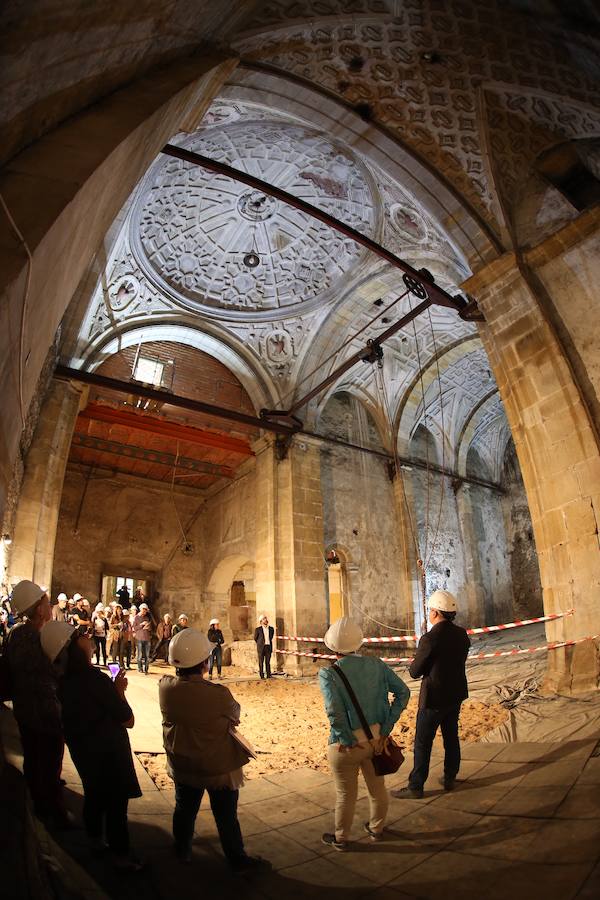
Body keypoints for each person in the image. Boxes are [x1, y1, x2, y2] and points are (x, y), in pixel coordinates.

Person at [159, 628, 268, 871]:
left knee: (184, 810)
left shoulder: (165, 687)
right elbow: (235, 714)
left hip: (182, 764)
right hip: (217, 767)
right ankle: (237, 859)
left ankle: (182, 849)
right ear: (204, 662)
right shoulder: (218, 694)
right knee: (226, 816)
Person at [43, 620, 144, 870]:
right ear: (74, 648)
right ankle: (121, 857)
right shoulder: (95, 680)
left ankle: (95, 842)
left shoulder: (62, 682)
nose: (87, 637)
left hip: (83, 751)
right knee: (116, 805)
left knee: (94, 796)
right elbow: (127, 719)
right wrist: (119, 690)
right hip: (108, 751)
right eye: (81, 636)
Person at [318, 616, 410, 851]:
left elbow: (334, 712)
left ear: (332, 647)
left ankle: (341, 838)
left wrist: (347, 739)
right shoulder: (377, 665)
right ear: (358, 643)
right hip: (376, 740)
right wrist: (386, 728)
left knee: (345, 794)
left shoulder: (329, 675)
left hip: (346, 746)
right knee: (377, 788)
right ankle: (376, 828)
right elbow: (403, 693)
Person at [391, 590, 470, 800]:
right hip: (455, 695)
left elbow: (415, 672)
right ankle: (450, 777)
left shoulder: (430, 638)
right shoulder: (462, 634)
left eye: (430, 611)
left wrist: (418, 658)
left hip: (434, 698)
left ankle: (416, 786)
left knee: (423, 742)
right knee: (451, 737)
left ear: (435, 613)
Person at [3, 580, 69, 826]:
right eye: (46, 601)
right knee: (51, 764)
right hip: (48, 712)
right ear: (40, 610)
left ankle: (36, 804)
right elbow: (57, 673)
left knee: (32, 757)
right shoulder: (45, 637)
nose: (50, 606)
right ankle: (54, 813)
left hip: (23, 709)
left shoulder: (14, 634)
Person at [132, 602, 152, 674]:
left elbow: (150, 629)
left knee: (147, 655)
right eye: (143, 610)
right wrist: (141, 625)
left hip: (147, 638)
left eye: (146, 610)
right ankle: (140, 668)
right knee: (140, 655)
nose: (145, 611)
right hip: (139, 638)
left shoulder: (147, 618)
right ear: (141, 609)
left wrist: (148, 627)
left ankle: (146, 669)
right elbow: (134, 628)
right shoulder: (136, 617)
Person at [253, 614, 274, 679]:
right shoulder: (258, 629)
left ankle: (268, 675)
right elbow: (255, 638)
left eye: (266, 618)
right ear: (261, 621)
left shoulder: (271, 629)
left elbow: (271, 637)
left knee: (267, 662)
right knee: (261, 662)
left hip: (268, 647)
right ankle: (261, 675)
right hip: (261, 647)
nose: (266, 620)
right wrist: (260, 644)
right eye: (264, 619)